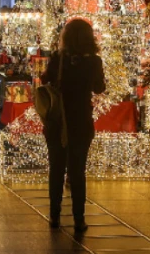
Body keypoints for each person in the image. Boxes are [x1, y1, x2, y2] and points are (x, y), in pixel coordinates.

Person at [40, 19, 106, 232]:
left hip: (57, 121)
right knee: (77, 171)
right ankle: (79, 218)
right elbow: (99, 88)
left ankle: (54, 216)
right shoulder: (94, 61)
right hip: (81, 122)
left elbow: (45, 81)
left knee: (56, 169)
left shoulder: (58, 58)